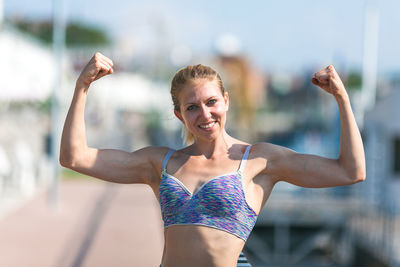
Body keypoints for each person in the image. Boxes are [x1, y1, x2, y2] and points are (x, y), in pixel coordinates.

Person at [60, 52, 366, 267]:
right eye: (192, 107)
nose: (204, 114)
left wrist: (342, 99)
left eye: (211, 102)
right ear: (179, 115)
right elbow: (74, 157)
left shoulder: (259, 161)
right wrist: (82, 87)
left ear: (226, 101)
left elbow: (350, 171)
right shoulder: (160, 163)